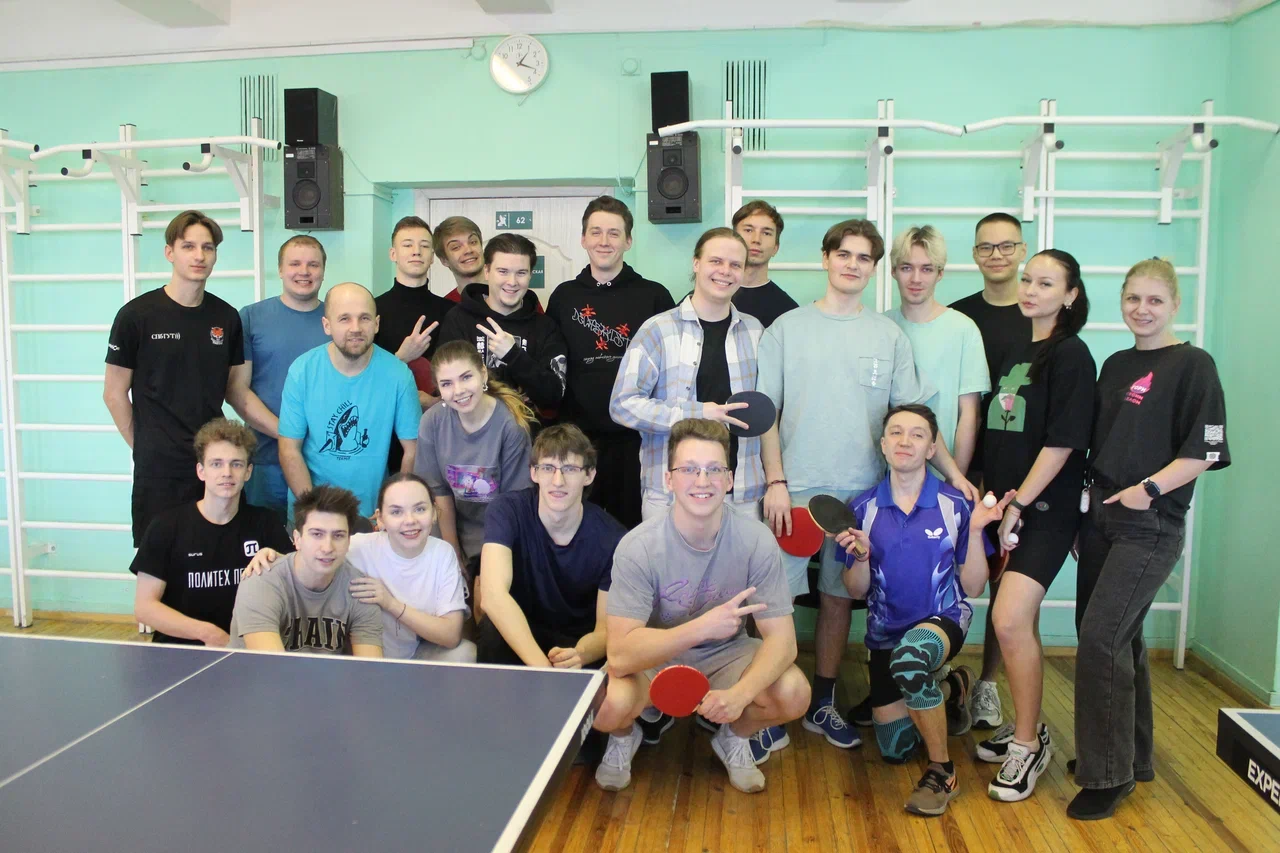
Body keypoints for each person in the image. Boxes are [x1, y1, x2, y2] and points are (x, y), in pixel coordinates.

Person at [758, 219, 976, 752]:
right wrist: (776, 480)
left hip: (860, 496)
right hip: (795, 491)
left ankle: (823, 702)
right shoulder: (786, 329)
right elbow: (767, 415)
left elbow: (915, 417)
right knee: (775, 602)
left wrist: (954, 475)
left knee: (838, 599)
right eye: (844, 254)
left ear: (874, 269)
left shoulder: (888, 336)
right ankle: (768, 704)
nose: (853, 265)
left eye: (864, 258)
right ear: (826, 258)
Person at [1067, 259, 1229, 820]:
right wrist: (1086, 514)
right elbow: (1099, 445)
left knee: (1100, 640)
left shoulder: (1194, 365)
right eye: (1133, 298)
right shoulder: (1115, 364)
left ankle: (1106, 776)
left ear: (1175, 305)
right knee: (1122, 639)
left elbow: (1206, 449)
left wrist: (1150, 489)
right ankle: (1129, 757)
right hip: (1101, 517)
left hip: (1150, 522)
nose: (1142, 309)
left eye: (1155, 300)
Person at [590, 418, 810, 794]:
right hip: (654, 658)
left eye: (714, 470)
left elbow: (783, 642)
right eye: (689, 469)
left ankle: (734, 738)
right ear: (669, 479)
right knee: (606, 706)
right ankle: (624, 737)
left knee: (794, 692)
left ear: (729, 479)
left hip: (727, 656)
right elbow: (621, 656)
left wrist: (740, 696)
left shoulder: (756, 540)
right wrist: (700, 628)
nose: (702, 481)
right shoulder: (637, 547)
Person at [833, 404, 1012, 816]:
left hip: (944, 619)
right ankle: (954, 688)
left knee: (911, 659)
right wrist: (860, 555)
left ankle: (942, 771)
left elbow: (974, 587)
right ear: (882, 444)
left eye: (917, 434)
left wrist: (977, 530)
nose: (905, 441)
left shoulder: (956, 504)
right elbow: (857, 590)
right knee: (895, 749)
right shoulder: (862, 508)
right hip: (886, 634)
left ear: (932, 449)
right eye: (896, 432)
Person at [978, 249, 1095, 803]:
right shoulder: (1018, 351)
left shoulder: (1072, 355)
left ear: (1070, 296)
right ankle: (1030, 726)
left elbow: (1064, 442)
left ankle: (1027, 745)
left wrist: (1020, 504)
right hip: (1006, 507)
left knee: (1007, 619)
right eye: (1028, 280)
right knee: (1016, 622)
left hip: (1043, 512)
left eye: (1046, 284)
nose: (1030, 289)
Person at [104, 210, 260, 546]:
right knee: (160, 561)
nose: (199, 256)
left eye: (207, 247)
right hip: (159, 471)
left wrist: (283, 431)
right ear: (170, 252)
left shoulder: (226, 317)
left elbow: (235, 390)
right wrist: (145, 447)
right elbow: (114, 394)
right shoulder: (136, 316)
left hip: (214, 464)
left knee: (219, 555)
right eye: (188, 246)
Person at [611, 227, 769, 521]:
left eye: (735, 264)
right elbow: (622, 405)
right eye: (716, 261)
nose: (725, 271)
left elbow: (767, 413)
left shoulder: (755, 331)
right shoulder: (658, 330)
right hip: (670, 495)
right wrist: (696, 414)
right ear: (696, 263)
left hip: (742, 495)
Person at [243, 473, 475, 662]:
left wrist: (390, 603)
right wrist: (274, 559)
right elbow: (315, 554)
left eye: (420, 509)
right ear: (379, 519)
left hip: (412, 653)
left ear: (434, 513)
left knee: (465, 652)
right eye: (396, 511)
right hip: (356, 656)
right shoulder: (356, 546)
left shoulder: (443, 553)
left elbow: (451, 635)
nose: (410, 520)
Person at [949, 212, 1033, 729]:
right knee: (949, 573)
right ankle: (943, 677)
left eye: (1006, 246)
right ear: (975, 254)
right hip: (958, 469)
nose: (996, 255)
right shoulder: (958, 317)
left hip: (1016, 474)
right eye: (986, 247)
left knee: (1005, 581)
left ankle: (987, 684)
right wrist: (958, 471)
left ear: (1022, 251)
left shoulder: (1040, 316)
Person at [547, 196, 675, 529]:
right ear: (583, 239)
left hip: (636, 441)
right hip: (577, 439)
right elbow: (552, 366)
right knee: (574, 528)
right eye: (596, 232)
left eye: (614, 233)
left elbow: (671, 370)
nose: (604, 241)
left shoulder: (654, 296)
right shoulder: (563, 296)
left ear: (628, 241)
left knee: (631, 530)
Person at [131, 418, 292, 646]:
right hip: (182, 653)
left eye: (236, 464)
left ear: (248, 472)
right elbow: (145, 608)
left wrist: (280, 559)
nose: (227, 473)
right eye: (216, 464)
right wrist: (207, 633)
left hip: (248, 652)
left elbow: (297, 585)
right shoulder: (166, 527)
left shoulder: (266, 523)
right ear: (201, 471)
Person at [477, 424, 624, 670]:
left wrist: (581, 654)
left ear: (589, 475)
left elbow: (606, 629)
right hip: (521, 633)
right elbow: (493, 597)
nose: (558, 481)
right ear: (533, 473)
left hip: (577, 645)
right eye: (547, 468)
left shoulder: (613, 539)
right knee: (492, 629)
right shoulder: (506, 511)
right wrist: (544, 669)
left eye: (570, 469)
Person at [277, 283, 421, 518]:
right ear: (327, 325)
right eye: (344, 319)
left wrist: (396, 507)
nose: (356, 328)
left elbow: (413, 449)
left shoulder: (398, 374)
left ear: (376, 324)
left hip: (374, 516)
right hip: (311, 511)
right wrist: (313, 512)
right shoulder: (302, 371)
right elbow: (289, 449)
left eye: (364, 318)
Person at [414, 341, 534, 589]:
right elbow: (437, 492)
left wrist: (486, 566)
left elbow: (514, 504)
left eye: (466, 377)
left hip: (499, 534)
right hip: (449, 529)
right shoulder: (432, 422)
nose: (458, 391)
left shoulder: (511, 426)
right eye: (447, 384)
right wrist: (453, 554)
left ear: (483, 374)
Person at [230, 236, 330, 518]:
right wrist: (288, 434)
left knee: (321, 538)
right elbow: (237, 390)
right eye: (295, 263)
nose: (304, 271)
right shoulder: (251, 317)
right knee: (265, 541)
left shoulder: (338, 321)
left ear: (323, 270)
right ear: (280, 269)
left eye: (313, 265)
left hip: (324, 460)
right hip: (265, 462)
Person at [228, 485, 383, 656]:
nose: (327, 547)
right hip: (258, 673)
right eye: (317, 534)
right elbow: (272, 666)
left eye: (338, 535)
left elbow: (369, 667)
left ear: (348, 542)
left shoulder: (360, 590)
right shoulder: (261, 582)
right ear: (297, 539)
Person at [437, 233, 568, 417]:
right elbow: (446, 388)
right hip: (469, 432)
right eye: (503, 271)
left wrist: (513, 355)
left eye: (521, 273)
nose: (512, 282)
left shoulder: (545, 327)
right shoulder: (458, 319)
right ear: (487, 271)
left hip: (529, 432)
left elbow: (554, 396)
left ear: (530, 275)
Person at [374, 216, 454, 411]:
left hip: (442, 418)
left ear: (432, 256)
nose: (416, 251)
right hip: (386, 416)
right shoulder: (373, 310)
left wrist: (437, 402)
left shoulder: (452, 311)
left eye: (424, 246)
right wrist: (401, 357)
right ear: (393, 254)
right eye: (408, 245)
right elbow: (361, 377)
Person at [730, 200, 798, 328]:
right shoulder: (706, 298)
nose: (756, 239)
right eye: (748, 230)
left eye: (766, 233)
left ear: (775, 248)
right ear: (732, 240)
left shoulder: (788, 312)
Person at [433, 216, 487, 302]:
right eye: (456, 247)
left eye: (473, 242)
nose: (468, 250)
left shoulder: (507, 295)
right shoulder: (445, 307)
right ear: (444, 260)